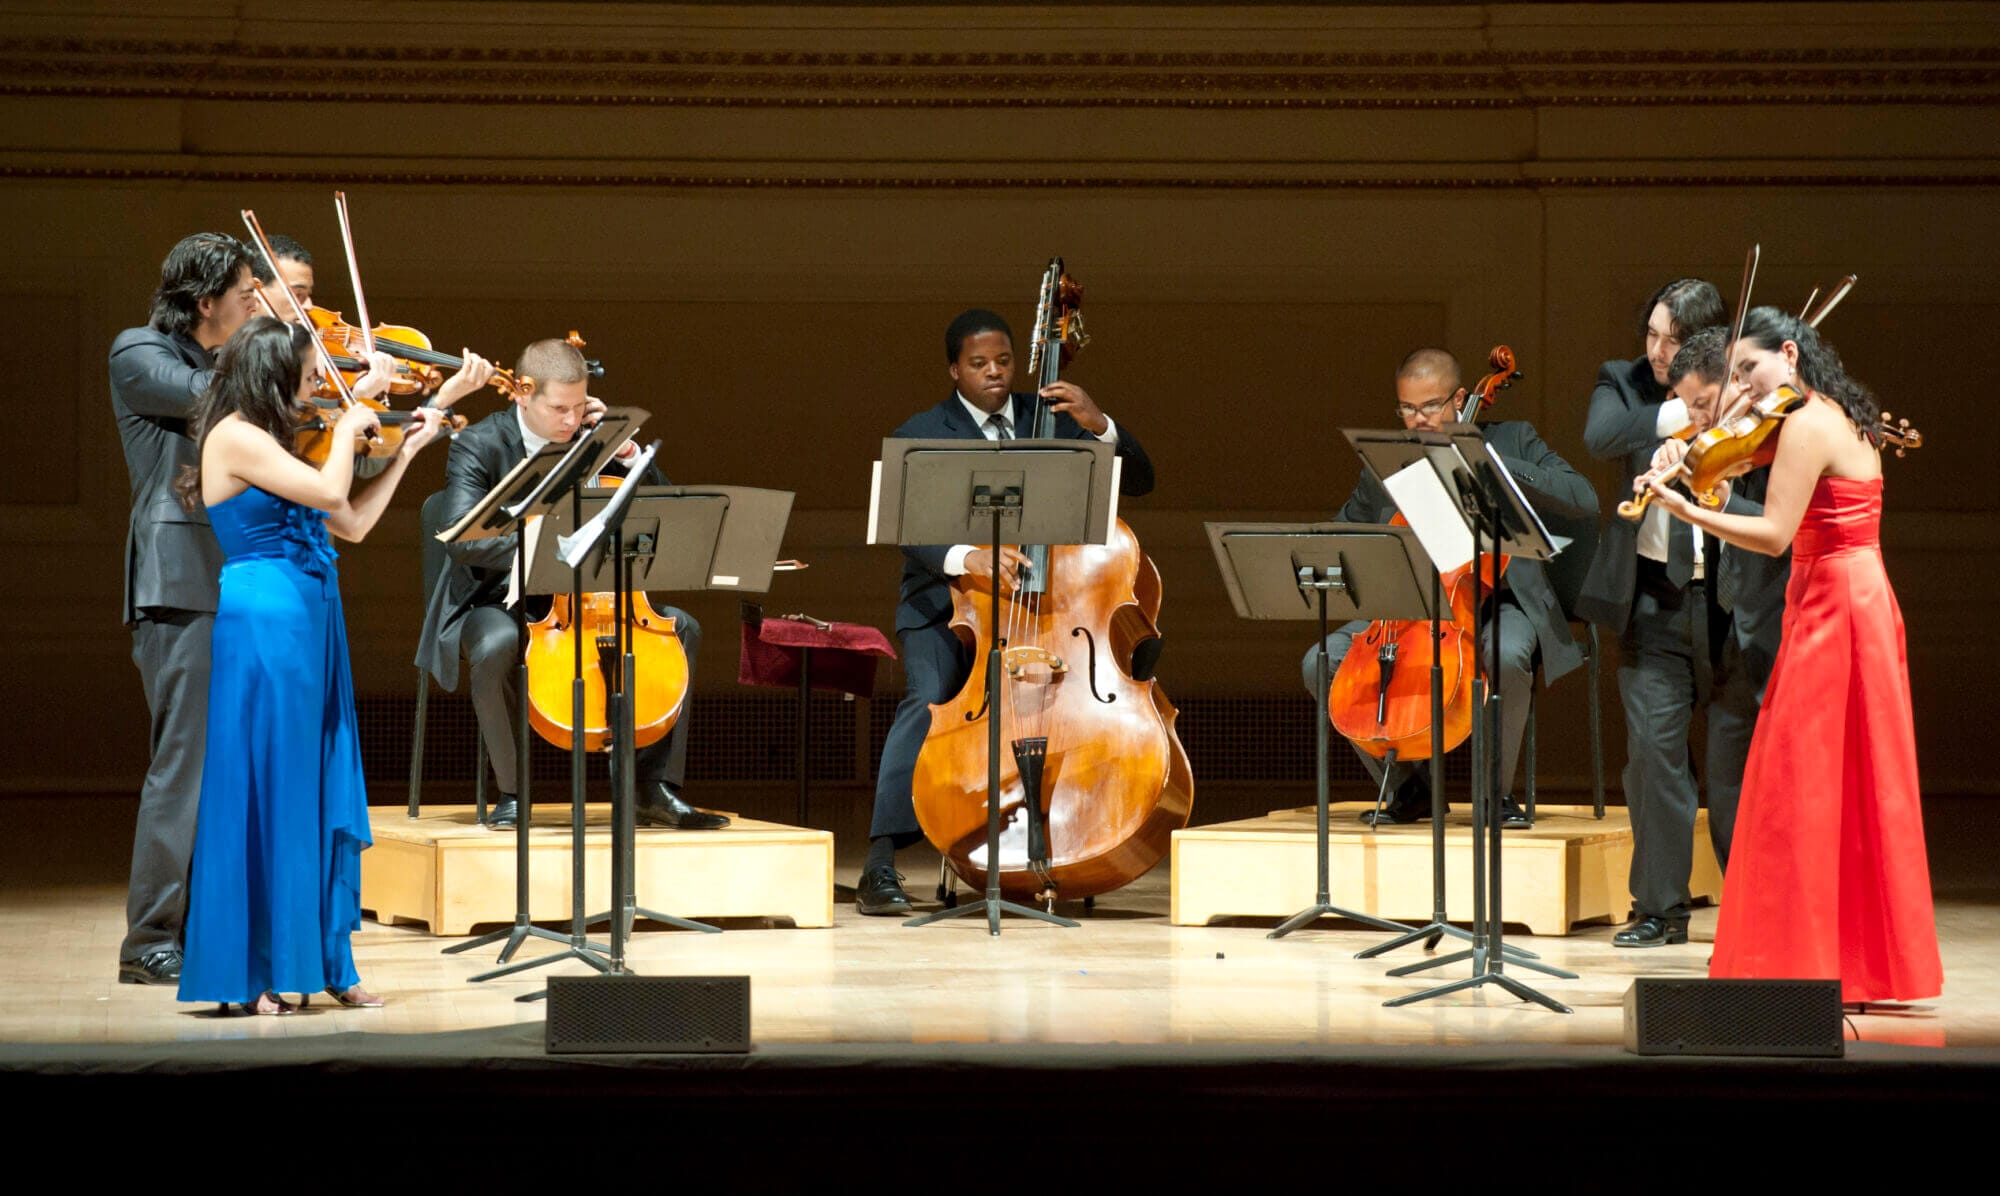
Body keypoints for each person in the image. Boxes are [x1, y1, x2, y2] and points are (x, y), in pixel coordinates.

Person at [1646, 307, 1940, 1004]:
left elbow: (1775, 532)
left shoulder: (1807, 425)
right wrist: (1694, 462)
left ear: (1789, 353)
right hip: (1845, 595)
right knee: (1843, 781)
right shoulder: (1824, 415)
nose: (1742, 388)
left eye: (1749, 370)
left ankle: (1805, 960)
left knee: (1801, 780)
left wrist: (1684, 509)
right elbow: (1729, 464)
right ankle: (1844, 959)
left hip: (1837, 603)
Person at [171, 317, 447, 1012]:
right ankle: (250, 971)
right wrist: (354, 423)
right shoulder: (235, 435)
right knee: (272, 785)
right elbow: (328, 492)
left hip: (311, 617)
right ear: (275, 374)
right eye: (310, 372)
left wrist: (406, 451)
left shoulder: (278, 440)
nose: (320, 381)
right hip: (267, 620)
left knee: (317, 784)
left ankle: (326, 962)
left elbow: (348, 522)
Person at [856, 308, 1156, 914]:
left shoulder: (1051, 421)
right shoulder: (925, 431)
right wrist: (969, 557)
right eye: (978, 364)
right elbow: (906, 528)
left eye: (1003, 361)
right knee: (929, 697)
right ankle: (880, 864)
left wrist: (1102, 428)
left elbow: (1143, 480)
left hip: (1049, 612)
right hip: (946, 607)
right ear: (953, 370)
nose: (994, 374)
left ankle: (1062, 843)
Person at [415, 337, 722, 832]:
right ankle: (513, 792)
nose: (570, 420)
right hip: (498, 594)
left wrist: (626, 454)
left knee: (681, 628)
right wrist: (549, 553)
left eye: (580, 407)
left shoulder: (593, 440)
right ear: (522, 394)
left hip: (588, 596)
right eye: (559, 408)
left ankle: (652, 788)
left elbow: (665, 513)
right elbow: (464, 542)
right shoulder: (481, 444)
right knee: (497, 645)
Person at [1576, 280, 1791, 947]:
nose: (1660, 352)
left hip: (1734, 605)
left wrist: (1722, 419)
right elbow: (1603, 435)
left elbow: (1775, 507)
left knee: (1735, 776)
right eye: (1652, 335)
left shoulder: (1752, 402)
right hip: (1654, 601)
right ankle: (1660, 909)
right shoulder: (1627, 383)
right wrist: (1684, 417)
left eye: (1674, 340)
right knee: (1652, 756)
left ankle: (1756, 914)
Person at [1302, 348, 1596, 829]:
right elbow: (1345, 534)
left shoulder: (1514, 438)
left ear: (1460, 399)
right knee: (1322, 661)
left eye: (1430, 407)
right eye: (1407, 409)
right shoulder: (1388, 461)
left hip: (1500, 598)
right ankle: (1411, 788)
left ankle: (1492, 794)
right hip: (1412, 605)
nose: (1418, 420)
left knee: (1504, 654)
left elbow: (1581, 496)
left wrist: (1494, 463)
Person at [109, 232, 262, 985]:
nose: (257, 306)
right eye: (245, 295)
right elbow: (210, 399)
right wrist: (280, 368)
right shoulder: (139, 352)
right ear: (204, 303)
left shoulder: (233, 367)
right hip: (178, 581)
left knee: (229, 766)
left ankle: (211, 924)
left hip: (242, 580)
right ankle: (149, 942)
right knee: (183, 767)